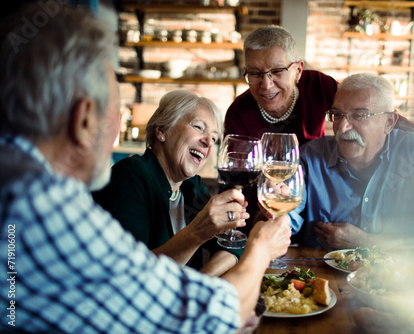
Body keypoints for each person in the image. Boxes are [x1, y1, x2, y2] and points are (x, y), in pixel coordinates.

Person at [0, 4, 290, 333]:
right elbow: (210, 316)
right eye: (116, 111)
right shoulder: (43, 206)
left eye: (214, 137)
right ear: (84, 119)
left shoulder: (21, 182)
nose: (209, 143)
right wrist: (261, 248)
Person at [224, 25, 414, 188]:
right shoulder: (238, 112)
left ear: (298, 71)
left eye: (277, 71)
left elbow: (379, 115)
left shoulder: (318, 85)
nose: (266, 84)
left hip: (316, 189)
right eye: (254, 73)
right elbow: (239, 179)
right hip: (264, 198)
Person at [288, 73, 414, 250]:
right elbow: (285, 215)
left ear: (389, 122)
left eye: (359, 115)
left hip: (398, 275)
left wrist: (368, 243)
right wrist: (275, 220)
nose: (342, 127)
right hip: (321, 274)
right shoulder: (310, 157)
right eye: (337, 115)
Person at [93, 90, 247, 276]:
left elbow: (233, 245)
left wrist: (202, 279)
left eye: (214, 138)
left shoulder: (192, 186)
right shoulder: (130, 175)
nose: (208, 142)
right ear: (162, 130)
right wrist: (197, 233)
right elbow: (131, 273)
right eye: (198, 127)